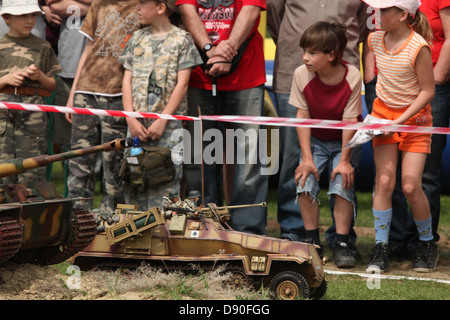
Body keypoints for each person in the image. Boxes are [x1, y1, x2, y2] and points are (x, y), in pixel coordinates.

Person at [267, 0, 371, 244]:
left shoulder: (350, 76)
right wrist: (296, 43)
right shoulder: (301, 70)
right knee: (295, 158)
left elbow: (366, 22)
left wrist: (339, 43)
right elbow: (274, 14)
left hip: (342, 73)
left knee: (344, 167)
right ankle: (296, 231)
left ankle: (342, 238)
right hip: (291, 70)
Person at [176, 0, 268, 235]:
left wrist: (227, 51)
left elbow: (251, 9)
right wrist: (209, 50)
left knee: (251, 154)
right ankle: (203, 224)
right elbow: (187, 9)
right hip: (199, 73)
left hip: (245, 74)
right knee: (198, 154)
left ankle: (247, 230)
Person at [362, 0, 437, 273]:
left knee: (409, 186)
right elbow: (376, 77)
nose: (378, 14)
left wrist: (401, 122)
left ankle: (427, 244)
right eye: (378, 9)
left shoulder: (419, 47)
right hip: (383, 118)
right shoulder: (374, 40)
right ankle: (380, 248)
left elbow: (428, 91)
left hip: (415, 122)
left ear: (404, 14)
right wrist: (380, 120)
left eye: (384, 10)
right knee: (383, 183)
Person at [291, 22, 363, 267]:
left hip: (346, 141)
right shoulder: (301, 74)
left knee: (343, 182)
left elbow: (350, 120)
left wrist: (344, 161)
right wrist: (307, 159)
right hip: (316, 142)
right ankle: (312, 242)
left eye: (312, 52)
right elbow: (302, 117)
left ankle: (342, 243)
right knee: (304, 180)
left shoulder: (353, 75)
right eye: (304, 51)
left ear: (331, 55)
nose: (305, 58)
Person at [119, 0, 202, 210]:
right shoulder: (137, 38)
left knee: (165, 184)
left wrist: (162, 119)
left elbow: (182, 85)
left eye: (142, 3)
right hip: (137, 125)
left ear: (161, 8)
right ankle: (134, 236)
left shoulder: (182, 40)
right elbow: (126, 80)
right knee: (133, 180)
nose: (136, 7)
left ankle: (162, 237)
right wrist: (130, 118)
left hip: (167, 127)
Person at [65, 0, 140, 212]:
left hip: (117, 93)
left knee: (113, 163)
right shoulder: (98, 4)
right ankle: (78, 218)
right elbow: (88, 49)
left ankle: (110, 221)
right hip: (86, 92)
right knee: (79, 159)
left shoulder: (142, 6)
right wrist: (74, 92)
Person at [0, 0, 61, 184]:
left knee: (32, 174)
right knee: (4, 172)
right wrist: (6, 80)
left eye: (33, 15)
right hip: (3, 118)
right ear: (6, 18)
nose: (30, 20)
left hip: (33, 117)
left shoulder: (43, 47)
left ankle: (32, 212)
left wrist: (40, 76)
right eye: (23, 16)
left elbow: (51, 86)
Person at [45, 0, 94, 155]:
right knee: (67, 137)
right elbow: (54, 5)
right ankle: (68, 179)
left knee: (97, 136)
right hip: (68, 68)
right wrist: (95, 6)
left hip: (99, 74)